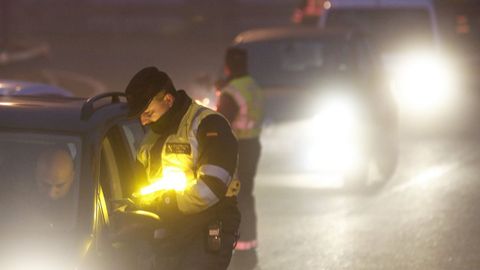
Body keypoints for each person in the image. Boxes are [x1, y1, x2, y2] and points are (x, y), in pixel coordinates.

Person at [124, 66, 240, 270]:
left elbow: (212, 187)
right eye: (140, 116)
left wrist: (170, 202)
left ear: (168, 100)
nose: (143, 121)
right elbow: (137, 183)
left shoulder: (209, 124)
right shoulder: (152, 137)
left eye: (148, 113)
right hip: (169, 228)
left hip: (207, 226)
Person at [216, 47, 264, 270]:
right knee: (247, 195)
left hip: (238, 148)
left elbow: (221, 123)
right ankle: (248, 246)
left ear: (228, 65)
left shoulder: (231, 91)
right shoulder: (253, 85)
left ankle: (238, 249)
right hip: (253, 144)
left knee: (234, 196)